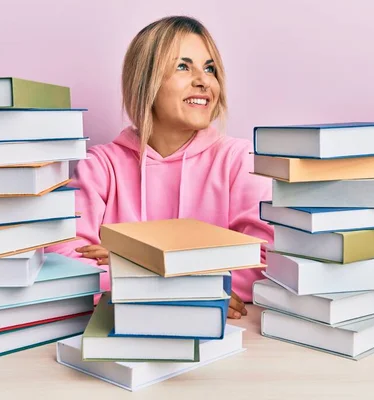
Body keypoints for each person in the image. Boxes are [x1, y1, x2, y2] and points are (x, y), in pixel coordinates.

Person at [46, 15, 274, 319]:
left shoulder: (240, 160)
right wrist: (190, 286)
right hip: (122, 334)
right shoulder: (100, 166)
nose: (203, 80)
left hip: (226, 337)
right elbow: (65, 257)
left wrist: (131, 268)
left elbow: (265, 263)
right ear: (145, 81)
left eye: (210, 69)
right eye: (183, 66)